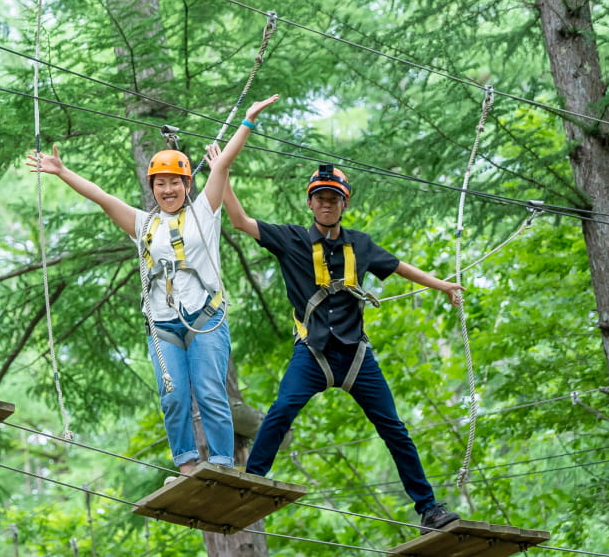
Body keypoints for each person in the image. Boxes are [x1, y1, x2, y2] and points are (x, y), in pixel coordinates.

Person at [28, 95, 278, 474]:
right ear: (153, 187)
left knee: (210, 392)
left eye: (175, 182)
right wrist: (62, 172)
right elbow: (102, 197)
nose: (168, 189)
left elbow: (223, 165)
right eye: (160, 183)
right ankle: (187, 465)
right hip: (162, 325)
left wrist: (247, 121)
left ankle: (222, 464)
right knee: (173, 397)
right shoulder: (143, 224)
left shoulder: (204, 212)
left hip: (205, 318)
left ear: (187, 184)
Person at [220, 164, 463, 531]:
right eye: (320, 198)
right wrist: (222, 171)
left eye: (333, 199)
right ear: (310, 203)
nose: (326, 204)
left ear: (344, 203)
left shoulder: (360, 245)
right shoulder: (291, 240)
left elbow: (398, 266)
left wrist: (441, 285)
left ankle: (429, 509)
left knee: (394, 429)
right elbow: (240, 221)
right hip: (312, 353)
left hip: (355, 356)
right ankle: (251, 482)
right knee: (281, 410)